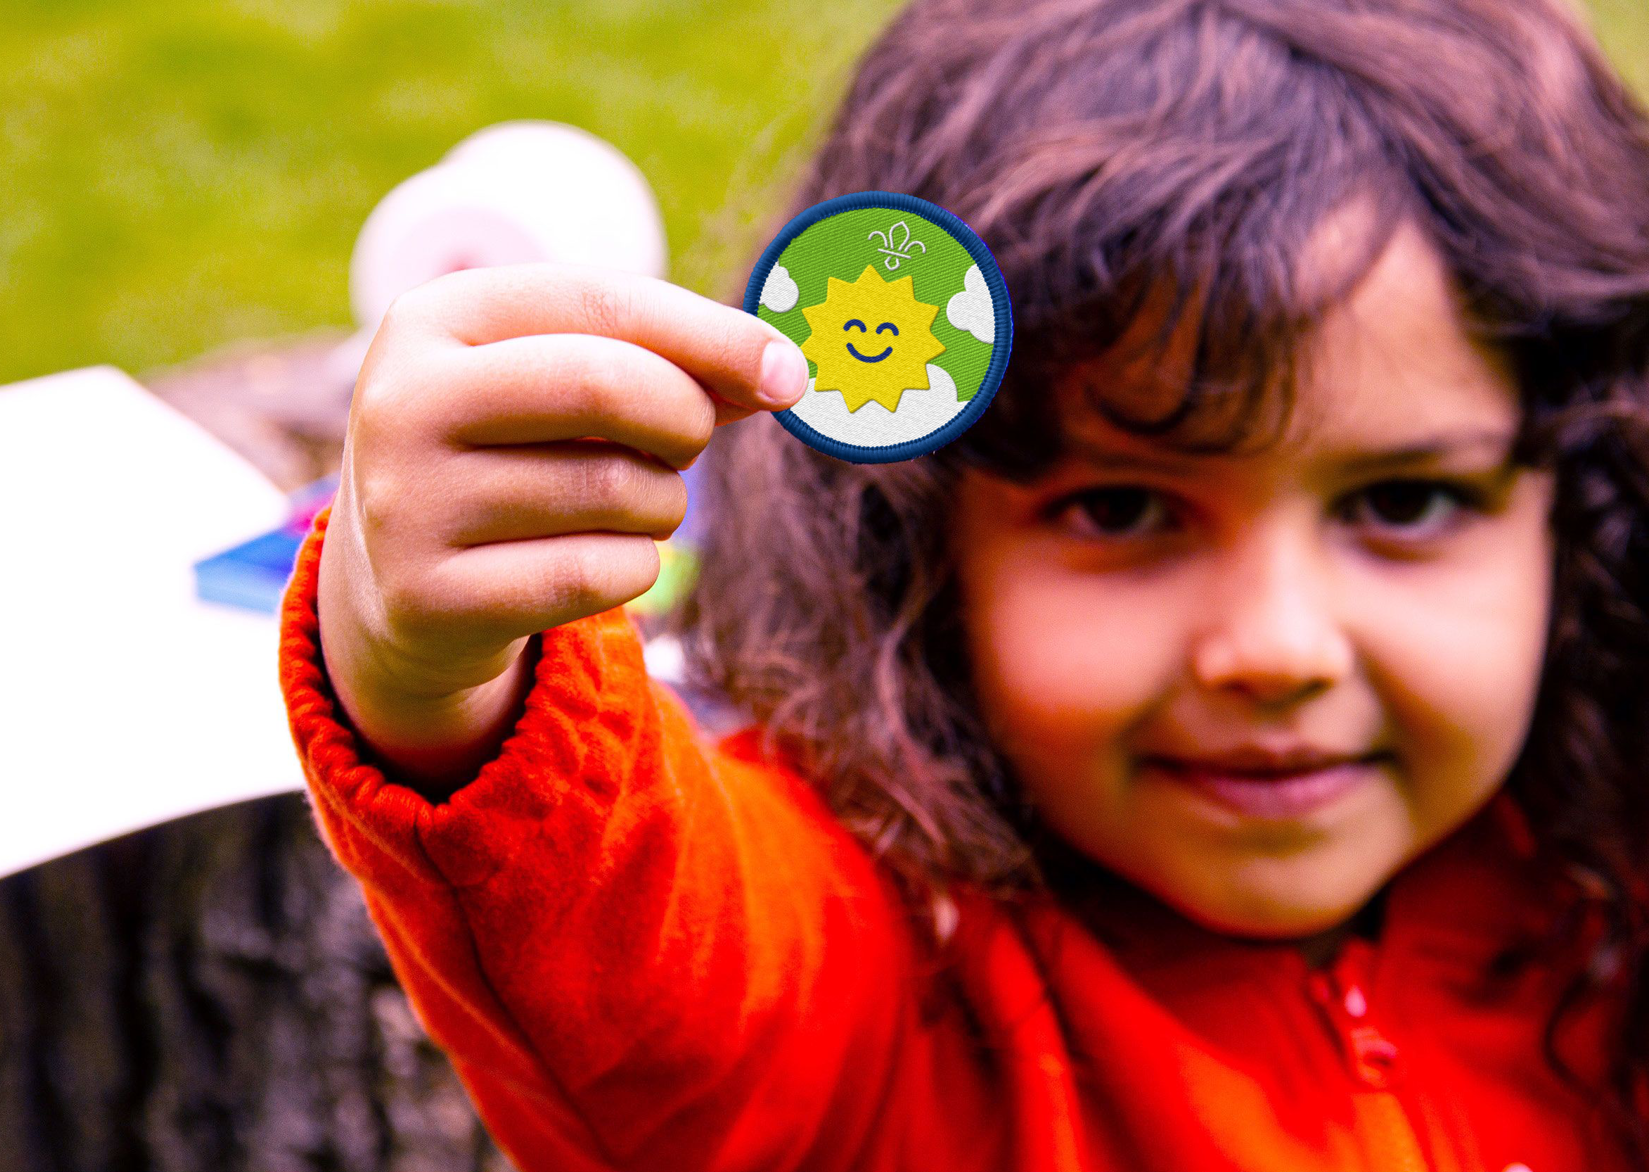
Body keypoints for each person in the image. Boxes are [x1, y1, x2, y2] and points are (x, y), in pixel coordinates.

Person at [277, 0, 1649, 1167]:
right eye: (1121, 510)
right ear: (916, 537)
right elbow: (641, 949)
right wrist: (438, 667)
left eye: (1402, 503)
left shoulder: (1604, 882)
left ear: (1578, 499)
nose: (1277, 648)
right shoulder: (879, 984)